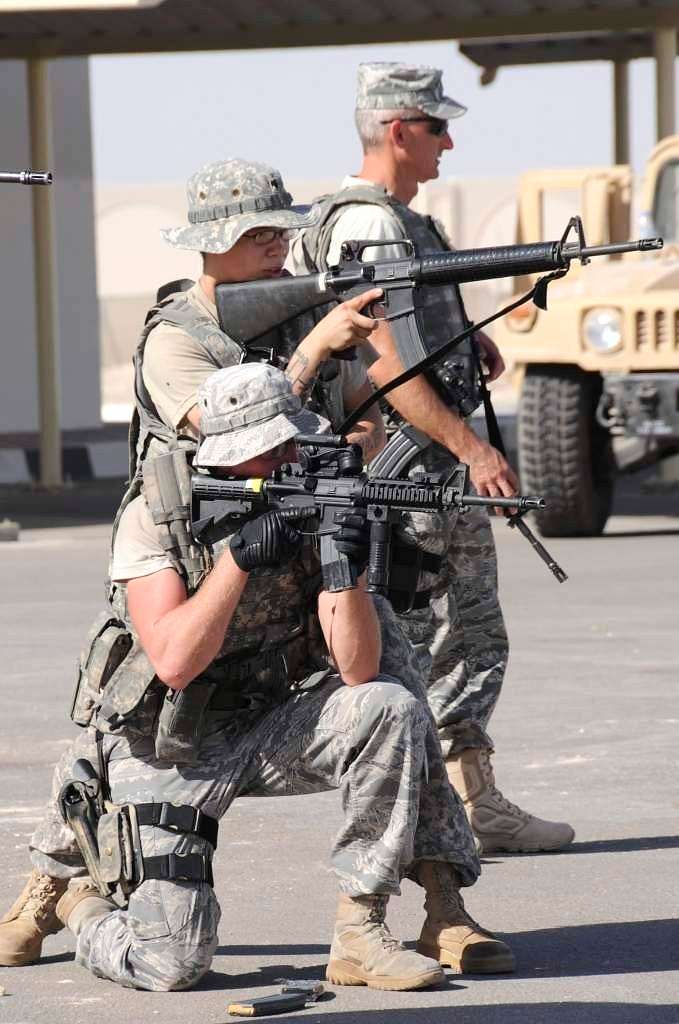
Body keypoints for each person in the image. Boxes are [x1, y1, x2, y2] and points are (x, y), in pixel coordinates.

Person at [0, 162, 512, 980]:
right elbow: (216, 443)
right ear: (214, 245)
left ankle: (424, 906)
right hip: (183, 628)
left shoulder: (298, 319)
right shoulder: (178, 343)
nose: (280, 246)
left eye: (283, 230)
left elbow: (362, 427)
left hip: (280, 640)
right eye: (260, 235)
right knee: (128, 749)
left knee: (395, 686)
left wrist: (342, 520)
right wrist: (307, 361)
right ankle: (60, 885)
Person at [292, 62, 575, 855]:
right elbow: (386, 367)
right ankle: (429, 812)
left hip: (420, 470)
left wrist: (462, 333)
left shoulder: (396, 218)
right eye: (437, 127)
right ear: (398, 131)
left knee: (463, 636)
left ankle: (465, 798)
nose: (449, 142)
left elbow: (407, 336)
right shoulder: (370, 224)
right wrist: (471, 445)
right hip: (409, 474)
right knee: (430, 642)